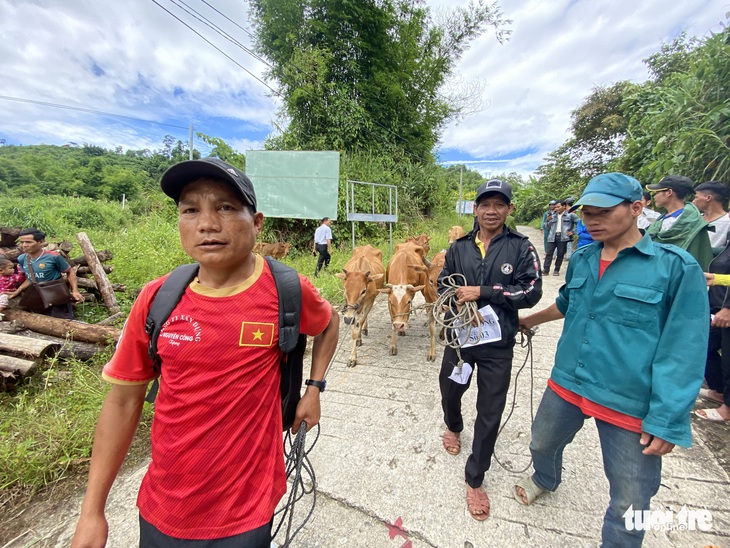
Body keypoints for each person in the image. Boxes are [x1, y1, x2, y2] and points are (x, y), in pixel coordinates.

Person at [71, 158, 340, 548]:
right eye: (190, 209)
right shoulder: (157, 300)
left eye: (226, 208)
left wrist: (313, 389)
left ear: (257, 222)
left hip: (248, 508)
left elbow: (329, 322)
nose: (207, 224)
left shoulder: (286, 290)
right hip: (164, 505)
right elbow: (123, 403)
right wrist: (92, 511)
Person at [516, 172, 708, 547]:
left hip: (629, 399)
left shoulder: (675, 268)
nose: (592, 221)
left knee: (630, 500)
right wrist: (526, 320)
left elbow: (685, 346)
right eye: (586, 213)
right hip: (569, 380)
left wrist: (668, 418)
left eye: (602, 211)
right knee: (541, 443)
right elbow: (569, 303)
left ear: (637, 208)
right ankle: (545, 478)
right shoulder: (584, 258)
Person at [438, 178, 542, 521]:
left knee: (490, 411)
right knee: (450, 389)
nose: (491, 211)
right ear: (476, 209)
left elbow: (531, 292)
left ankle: (475, 477)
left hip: (498, 345)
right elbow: (444, 284)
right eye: (485, 204)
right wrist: (454, 303)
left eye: (499, 204)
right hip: (461, 340)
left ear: (509, 209)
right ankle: (453, 425)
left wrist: (484, 291)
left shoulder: (521, 247)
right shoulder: (458, 247)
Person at [646, 175, 713, 269]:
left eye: (657, 192)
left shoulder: (693, 223)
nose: (654, 196)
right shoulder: (660, 220)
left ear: (669, 192)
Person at [14, 228, 84, 319]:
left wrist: (75, 291)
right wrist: (16, 292)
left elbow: (70, 272)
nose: (24, 245)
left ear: (41, 242)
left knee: (63, 323)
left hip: (56, 298)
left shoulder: (53, 257)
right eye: (22, 242)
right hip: (38, 298)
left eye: (28, 242)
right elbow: (29, 278)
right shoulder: (22, 258)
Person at [697, 236, 730, 423]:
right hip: (719, 301)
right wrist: (717, 279)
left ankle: (728, 408)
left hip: (724, 306)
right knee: (707, 345)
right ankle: (720, 392)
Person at [542, 200, 579, 276]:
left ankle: (556, 269)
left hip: (563, 237)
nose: (557, 209)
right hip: (552, 236)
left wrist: (572, 231)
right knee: (549, 253)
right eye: (556, 207)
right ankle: (546, 269)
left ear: (564, 206)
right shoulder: (553, 216)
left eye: (558, 207)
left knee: (560, 254)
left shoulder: (570, 215)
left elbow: (580, 224)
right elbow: (548, 227)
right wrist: (548, 220)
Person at [692, 180, 730, 253]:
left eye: (696, 197)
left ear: (708, 198)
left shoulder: (727, 222)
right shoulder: (694, 219)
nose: (693, 201)